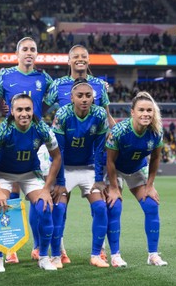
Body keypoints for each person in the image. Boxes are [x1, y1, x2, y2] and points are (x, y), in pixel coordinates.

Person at [44, 44, 115, 263]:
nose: (80, 59)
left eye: (84, 56)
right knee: (60, 207)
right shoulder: (57, 85)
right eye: (75, 56)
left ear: (89, 60)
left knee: (100, 205)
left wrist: (116, 135)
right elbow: (41, 111)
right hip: (64, 155)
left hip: (90, 157)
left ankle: (100, 250)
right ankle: (59, 251)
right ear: (69, 61)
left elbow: (106, 116)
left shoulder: (100, 86)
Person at [0, 36, 53, 264]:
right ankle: (11, 247)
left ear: (36, 54)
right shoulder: (6, 75)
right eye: (25, 49)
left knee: (39, 199)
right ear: (17, 53)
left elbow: (50, 101)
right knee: (12, 197)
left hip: (36, 141)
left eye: (33, 49)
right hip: (10, 140)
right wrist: (6, 109)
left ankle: (39, 247)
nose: (29, 52)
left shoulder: (43, 78)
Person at [0, 93, 61, 272]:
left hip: (29, 174)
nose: (24, 113)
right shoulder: (4, 130)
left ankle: (43, 256)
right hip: (4, 174)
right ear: (12, 111)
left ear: (33, 111)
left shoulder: (41, 128)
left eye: (28, 109)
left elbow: (57, 157)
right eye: (19, 109)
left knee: (45, 207)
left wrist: (46, 188)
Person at [51, 78, 109, 268]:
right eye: (80, 96)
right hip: (65, 168)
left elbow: (100, 150)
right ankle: (56, 255)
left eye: (88, 95)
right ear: (72, 98)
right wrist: (59, 181)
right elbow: (58, 151)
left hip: (88, 168)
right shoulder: (63, 114)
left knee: (100, 208)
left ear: (94, 97)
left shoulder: (100, 114)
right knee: (59, 209)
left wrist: (99, 179)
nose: (84, 99)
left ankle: (96, 255)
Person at [106, 91, 168, 267]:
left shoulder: (156, 132)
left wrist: (150, 185)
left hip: (137, 169)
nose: (146, 114)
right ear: (132, 112)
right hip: (115, 170)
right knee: (114, 206)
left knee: (151, 205)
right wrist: (113, 187)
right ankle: (115, 255)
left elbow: (155, 159)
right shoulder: (120, 130)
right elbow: (109, 161)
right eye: (141, 110)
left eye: (149, 110)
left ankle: (153, 254)